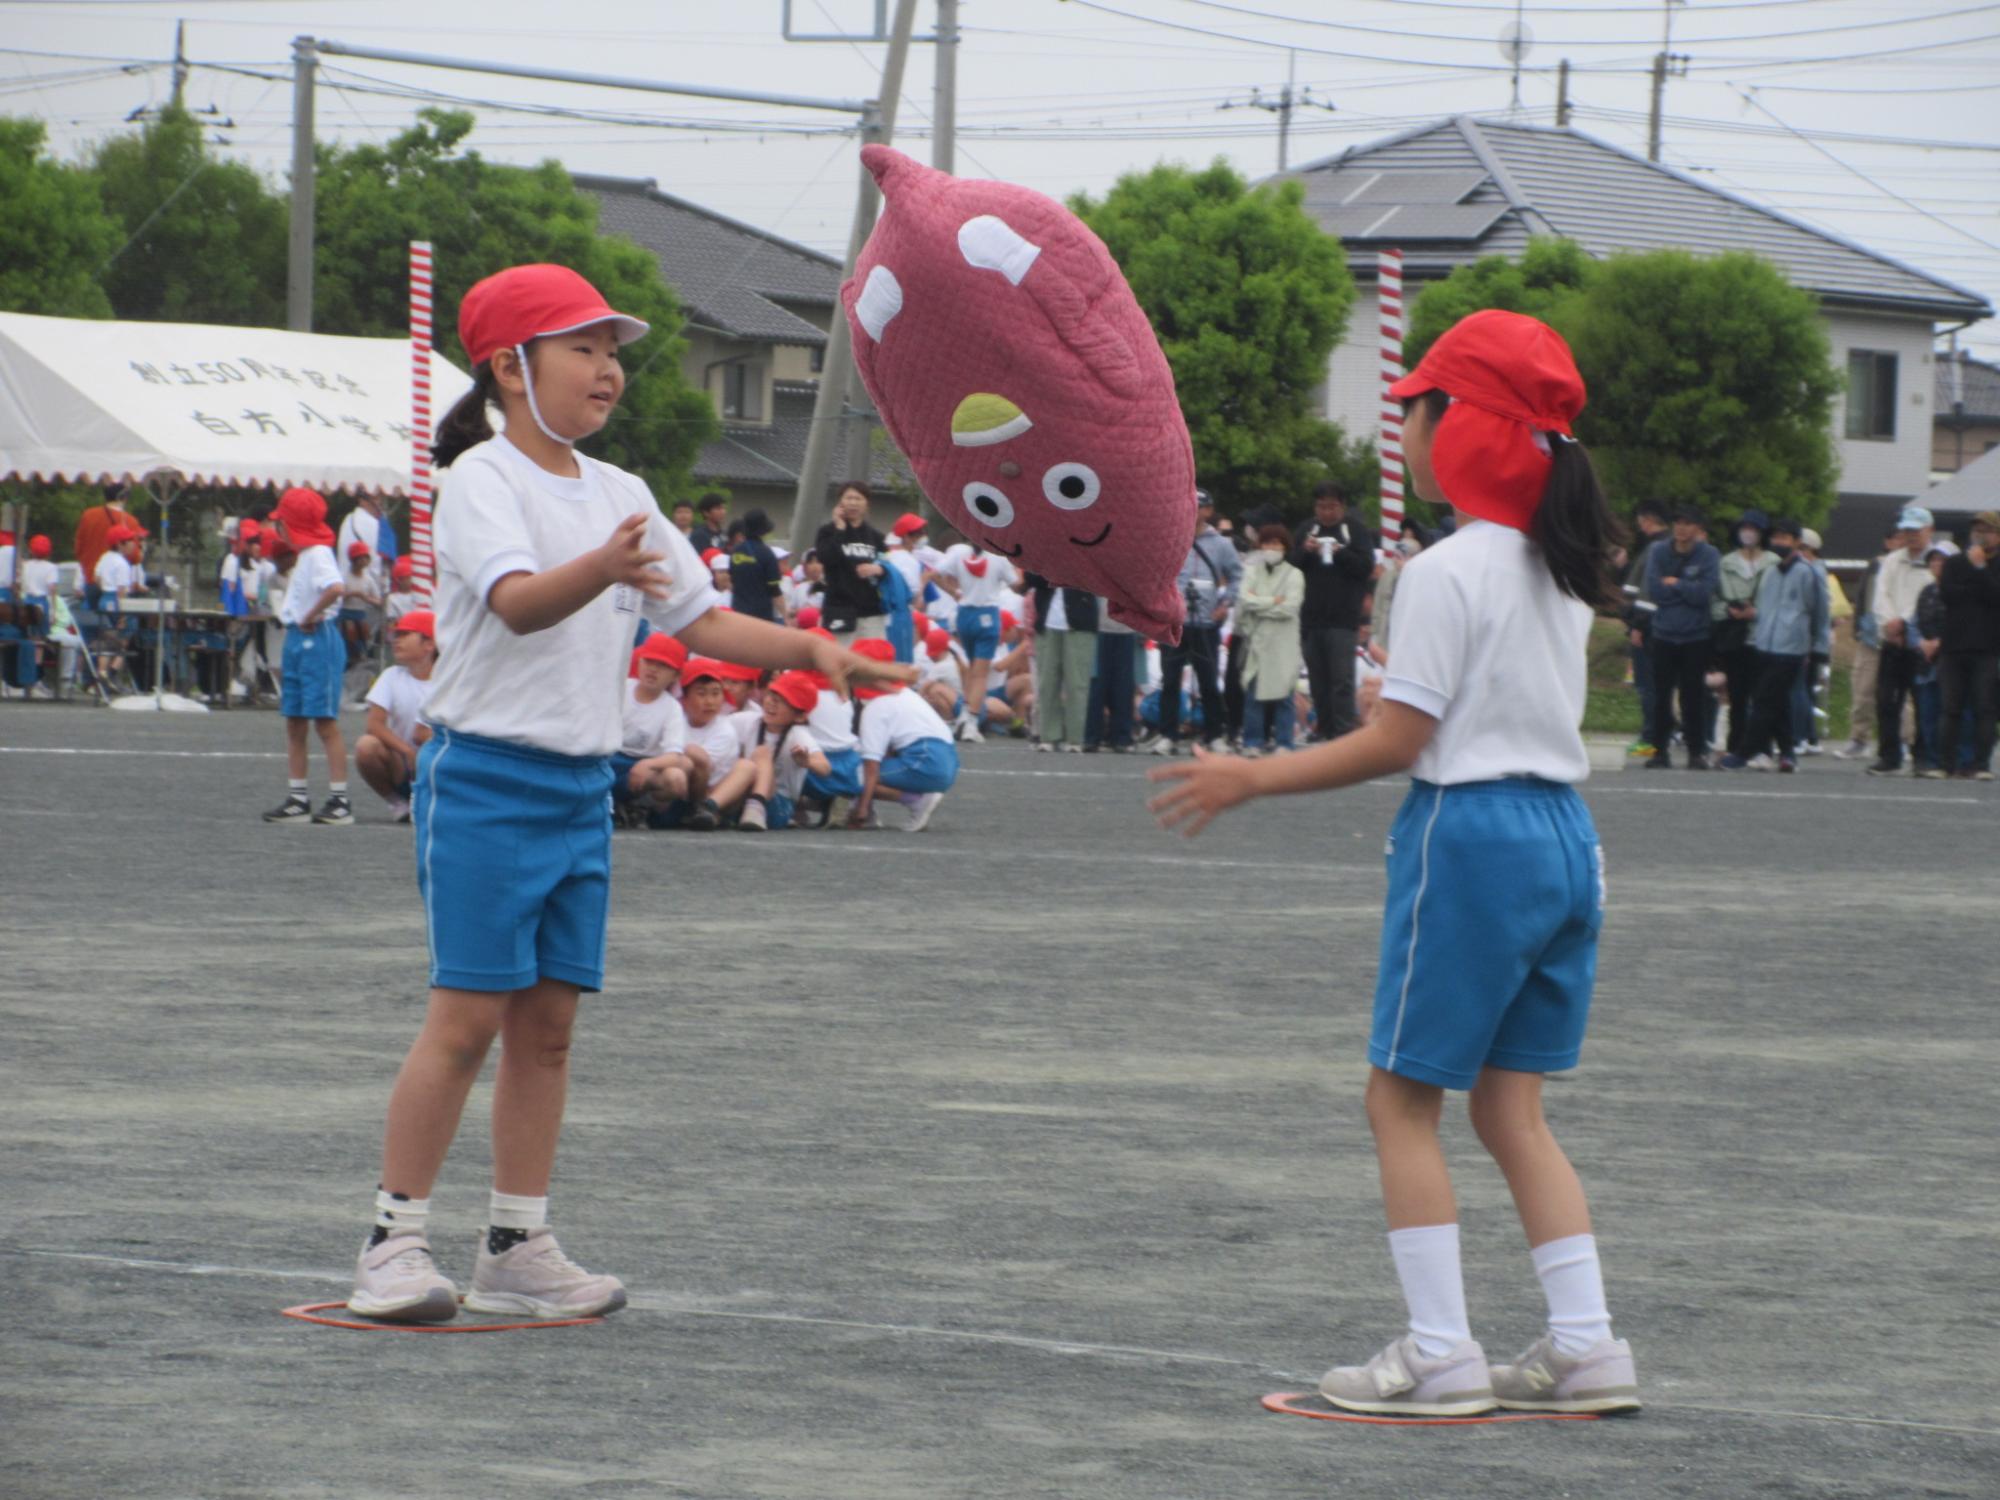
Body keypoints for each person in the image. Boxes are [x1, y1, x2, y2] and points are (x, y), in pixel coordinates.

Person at [344, 263, 908, 1325]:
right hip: (487, 780)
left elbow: (701, 621)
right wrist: (603, 571)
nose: (608, 369)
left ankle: (516, 1248)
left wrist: (811, 648)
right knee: (464, 1022)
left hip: (580, 787)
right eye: (583, 348)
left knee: (549, 1027)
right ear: (509, 367)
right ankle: (392, 1244)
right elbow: (517, 603)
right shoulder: (482, 480)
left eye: (612, 352)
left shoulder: (624, 494)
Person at [1150, 310, 1638, 1419]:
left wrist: (1249, 777)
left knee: (1399, 1101)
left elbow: (1398, 742)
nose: (1403, 432)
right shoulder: (1559, 564)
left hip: (1471, 840)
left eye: (1415, 410)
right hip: (1565, 837)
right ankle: (1585, 1346)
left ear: (1461, 425)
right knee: (1512, 1111)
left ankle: (1438, 1351)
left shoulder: (1445, 568)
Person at [260, 489, 352, 826]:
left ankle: (340, 800)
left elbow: (336, 588)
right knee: (295, 720)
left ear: (292, 523)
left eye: (281, 522)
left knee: (324, 721)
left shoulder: (318, 554)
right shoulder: (307, 556)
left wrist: (311, 614)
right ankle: (298, 797)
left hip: (317, 637)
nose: (278, 528)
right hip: (299, 637)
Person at [1723, 518, 1827, 773]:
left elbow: (1819, 612)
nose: (1778, 542)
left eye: (1784, 538)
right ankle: (1788, 753)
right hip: (1763, 645)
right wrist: (1752, 616)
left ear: (1796, 541)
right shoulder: (1770, 572)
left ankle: (1745, 751)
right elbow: (1766, 609)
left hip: (1791, 648)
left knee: (1764, 700)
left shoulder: (1807, 573)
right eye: (1776, 538)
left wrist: (1817, 647)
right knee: (1778, 701)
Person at [1151, 488, 1239, 756]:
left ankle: (1215, 734)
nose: (1193, 511)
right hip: (1174, 622)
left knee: (1209, 680)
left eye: (1199, 506)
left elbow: (1237, 576)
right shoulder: (1170, 538)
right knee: (1170, 680)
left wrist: (1225, 604)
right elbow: (1155, 573)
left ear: (1209, 511)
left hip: (1206, 621)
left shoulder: (1221, 545)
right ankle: (1168, 734)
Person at [848, 638, 958, 832]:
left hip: (926, 761)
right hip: (945, 759)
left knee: (852, 774)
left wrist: (861, 809)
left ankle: (916, 801)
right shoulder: (906, 694)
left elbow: (871, 767)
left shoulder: (876, 707)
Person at [1293, 481, 1375, 742]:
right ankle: (1323, 727)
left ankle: (1343, 730)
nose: (1326, 512)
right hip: (1310, 616)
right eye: (1321, 506)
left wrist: (1340, 552)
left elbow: (1365, 567)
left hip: (1343, 618)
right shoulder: (1307, 529)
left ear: (1342, 506)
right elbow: (1292, 565)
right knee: (1317, 678)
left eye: (1332, 506)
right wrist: (1306, 551)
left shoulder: (1355, 530)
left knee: (1342, 678)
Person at [1641, 506, 1720, 770]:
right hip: (1664, 632)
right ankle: (1659, 750)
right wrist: (1685, 590)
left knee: (1693, 694)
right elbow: (1655, 590)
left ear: (1698, 528)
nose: (1682, 528)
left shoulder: (1709, 554)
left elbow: (1704, 594)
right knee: (1661, 695)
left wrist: (1677, 584)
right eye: (1678, 523)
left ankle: (1696, 751)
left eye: (1688, 523)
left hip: (1696, 635)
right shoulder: (1658, 551)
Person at [1868, 506, 1937, 776]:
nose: (1911, 535)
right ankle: (1889, 756)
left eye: (1916, 530)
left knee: (1923, 702)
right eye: (1907, 530)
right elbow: (1880, 595)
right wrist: (1889, 622)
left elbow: (1928, 598)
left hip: (1921, 643)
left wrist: (1905, 622)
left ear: (1929, 530)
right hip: (1892, 640)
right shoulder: (1892, 560)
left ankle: (1923, 756)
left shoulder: (1937, 561)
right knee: (1886, 700)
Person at [354, 609, 438, 822]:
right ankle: (398, 802)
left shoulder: (446, 680)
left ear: (429, 644)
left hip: (436, 763)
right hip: (401, 764)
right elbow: (374, 725)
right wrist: (407, 751)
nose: (396, 640)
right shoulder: (391, 676)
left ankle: (437, 802)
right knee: (366, 746)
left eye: (405, 634)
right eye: (396, 635)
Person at [1934, 510, 2000, 780]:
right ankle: (1945, 764)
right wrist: (1977, 583)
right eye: (1977, 530)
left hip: (1988, 648)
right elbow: (1948, 594)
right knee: (1950, 708)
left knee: (1985, 708)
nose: (1980, 535)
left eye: (1987, 530)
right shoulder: (1954, 563)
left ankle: (1981, 764)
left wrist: (1981, 569)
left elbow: (1995, 597)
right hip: (1954, 645)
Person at [935, 542, 1020, 741]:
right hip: (987, 614)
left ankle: (964, 716)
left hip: (964, 615)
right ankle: (971, 722)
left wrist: (954, 592)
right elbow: (1016, 585)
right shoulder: (998, 556)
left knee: (972, 669)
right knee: (980, 674)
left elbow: (935, 573)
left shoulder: (958, 552)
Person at [1237, 524, 1306, 754]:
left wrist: (1260, 602)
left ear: (1285, 546)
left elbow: (1290, 607)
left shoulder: (1294, 574)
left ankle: (1284, 743)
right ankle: (1252, 742)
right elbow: (1244, 600)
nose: (1271, 548)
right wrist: (1273, 601)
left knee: (1284, 694)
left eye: (1276, 543)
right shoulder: (1251, 571)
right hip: (1258, 641)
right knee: (1254, 694)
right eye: (1267, 543)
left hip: (1284, 643)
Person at [1835, 525, 1902, 760]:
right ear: (1887, 541)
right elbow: (1862, 595)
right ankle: (1859, 738)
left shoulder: (1908, 565)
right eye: (1895, 538)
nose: (1900, 543)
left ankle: (1905, 740)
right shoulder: (1876, 565)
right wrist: (1858, 629)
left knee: (1902, 696)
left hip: (1899, 637)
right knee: (1862, 689)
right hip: (1871, 636)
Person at [1712, 509, 1774, 760]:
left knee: (1762, 695)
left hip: (1764, 637)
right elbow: (1715, 600)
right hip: (1735, 637)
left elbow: (1778, 602)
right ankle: (1736, 747)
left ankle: (1762, 748)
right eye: (1744, 528)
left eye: (1754, 529)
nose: (1748, 533)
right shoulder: (1726, 563)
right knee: (1737, 695)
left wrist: (1757, 612)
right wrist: (1728, 610)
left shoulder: (1773, 562)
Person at [735, 670, 830, 832]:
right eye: (772, 695)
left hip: (779, 807)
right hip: (744, 797)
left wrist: (807, 762)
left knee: (762, 753)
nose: (772, 703)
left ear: (799, 716)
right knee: (743, 764)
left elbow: (825, 767)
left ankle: (756, 808)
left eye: (783, 701)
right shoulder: (749, 720)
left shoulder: (797, 734)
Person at [612, 633, 692, 821]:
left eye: (663, 665)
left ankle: (639, 806)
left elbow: (674, 755)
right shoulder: (621, 688)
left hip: (639, 765)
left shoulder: (672, 707)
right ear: (639, 661)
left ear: (676, 675)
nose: (653, 669)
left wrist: (648, 764)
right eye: (649, 661)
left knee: (676, 777)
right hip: (608, 757)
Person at [1025, 572, 1098, 752]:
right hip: (1047, 622)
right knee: (1046, 682)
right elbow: (1030, 578)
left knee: (1076, 684)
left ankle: (1075, 738)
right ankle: (1049, 736)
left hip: (1080, 622)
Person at [1620, 501, 1670, 756]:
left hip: (1647, 625)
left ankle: (1651, 738)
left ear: (1649, 519)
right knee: (1654, 684)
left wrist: (1638, 625)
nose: (1641, 526)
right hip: (1656, 623)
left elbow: (1646, 591)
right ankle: (1662, 732)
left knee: (1647, 685)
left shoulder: (1655, 547)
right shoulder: (1660, 546)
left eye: (1642, 521)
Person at [814, 484, 889, 640]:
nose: (853, 503)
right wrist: (839, 529)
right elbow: (826, 558)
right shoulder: (827, 531)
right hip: (839, 608)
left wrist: (878, 569)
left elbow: (888, 568)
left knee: (873, 654)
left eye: (858, 499)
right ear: (840, 502)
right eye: (848, 498)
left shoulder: (877, 537)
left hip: (871, 611)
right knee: (840, 654)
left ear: (867, 504)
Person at [726, 509, 785, 623]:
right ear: (764, 531)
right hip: (761, 617)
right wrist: (785, 616)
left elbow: (732, 581)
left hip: (738, 614)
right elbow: (775, 591)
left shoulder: (735, 552)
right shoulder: (767, 554)